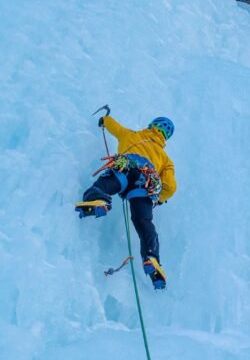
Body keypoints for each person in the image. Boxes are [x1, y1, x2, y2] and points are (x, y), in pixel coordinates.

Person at [76, 114, 177, 289]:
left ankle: (98, 200)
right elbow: (170, 186)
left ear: (151, 125)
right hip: (145, 184)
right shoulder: (166, 160)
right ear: (166, 137)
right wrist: (159, 199)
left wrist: (104, 120)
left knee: (106, 183)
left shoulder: (132, 135)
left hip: (127, 167)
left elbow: (115, 127)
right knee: (144, 222)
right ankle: (151, 257)